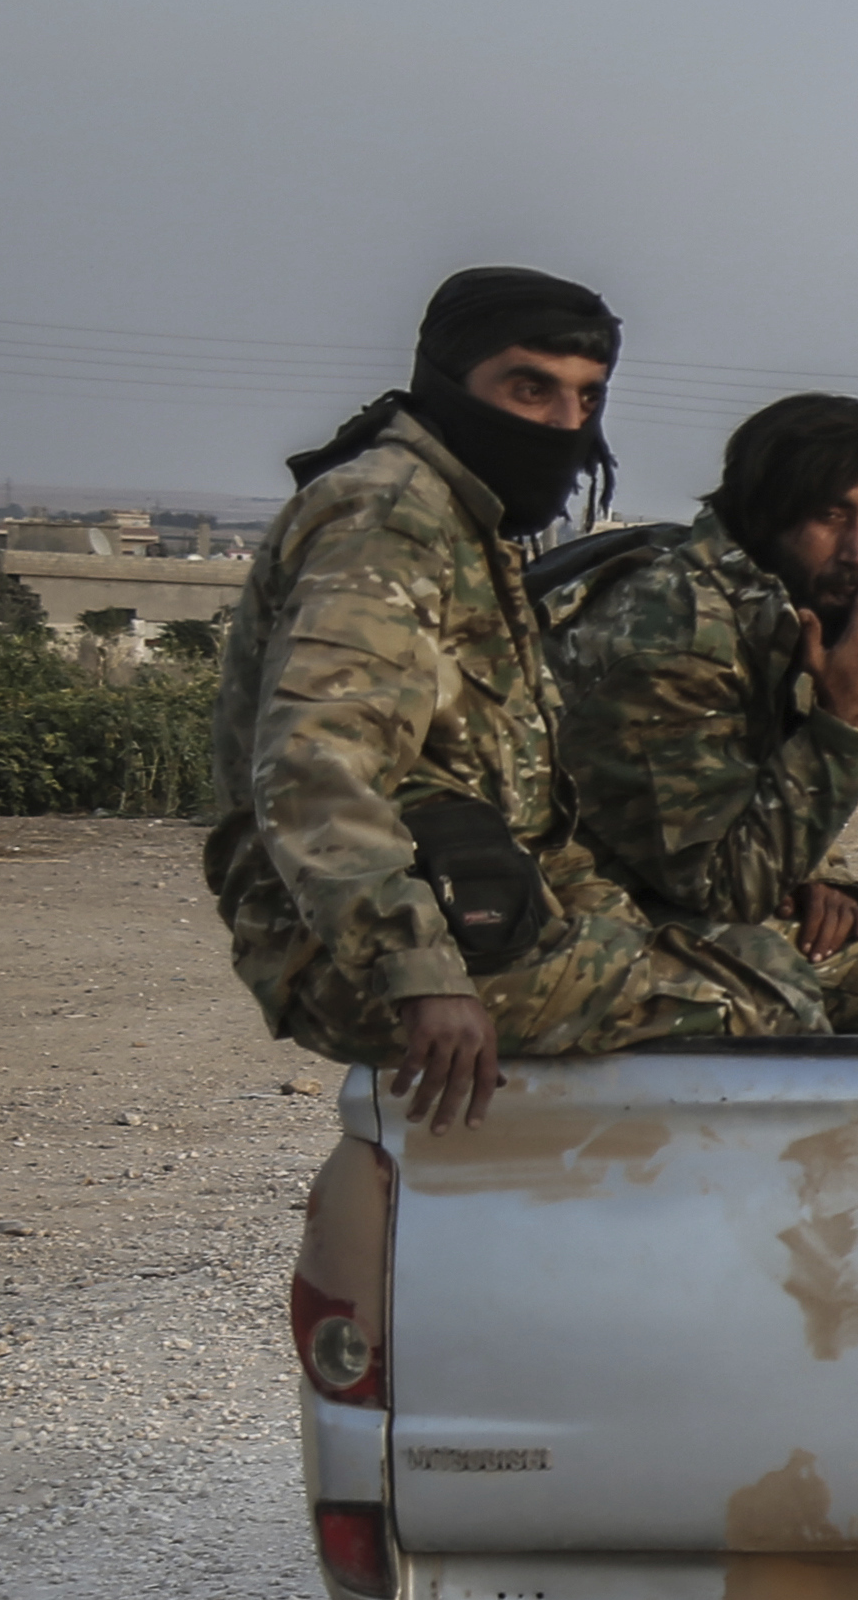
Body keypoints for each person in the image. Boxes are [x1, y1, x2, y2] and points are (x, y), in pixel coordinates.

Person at [203, 267, 824, 1128]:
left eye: (586, 398)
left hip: (484, 902)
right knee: (766, 1006)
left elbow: (522, 789)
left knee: (773, 960)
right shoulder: (389, 515)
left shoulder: (466, 520)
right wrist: (418, 971)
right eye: (530, 390)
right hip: (354, 951)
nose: (565, 425)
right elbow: (317, 763)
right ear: (448, 384)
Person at [544, 392, 858, 1033]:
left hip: (667, 901)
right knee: (776, 994)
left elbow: (753, 777)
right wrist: (848, 720)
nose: (856, 551)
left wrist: (825, 875)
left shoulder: (774, 614)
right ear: (765, 516)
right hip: (574, 922)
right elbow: (720, 884)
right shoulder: (677, 631)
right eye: (827, 515)